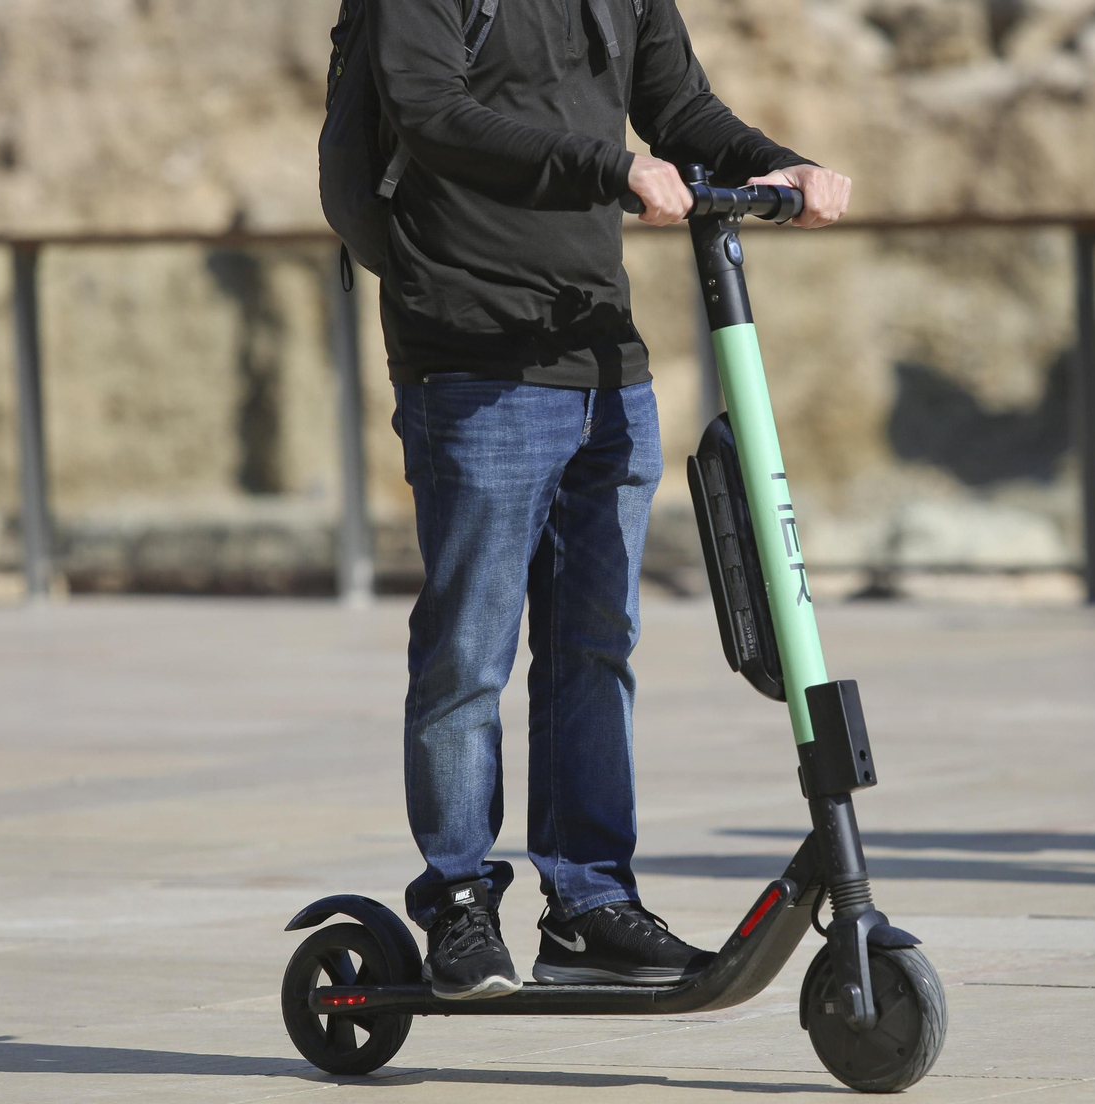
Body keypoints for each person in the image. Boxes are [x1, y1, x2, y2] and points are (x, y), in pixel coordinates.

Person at [368, 0, 851, 996]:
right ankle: (457, 902)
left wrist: (782, 163)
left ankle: (587, 904)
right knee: (470, 648)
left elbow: (677, 107)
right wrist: (609, 166)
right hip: (472, 346)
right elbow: (427, 110)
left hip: (599, 349)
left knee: (594, 647)